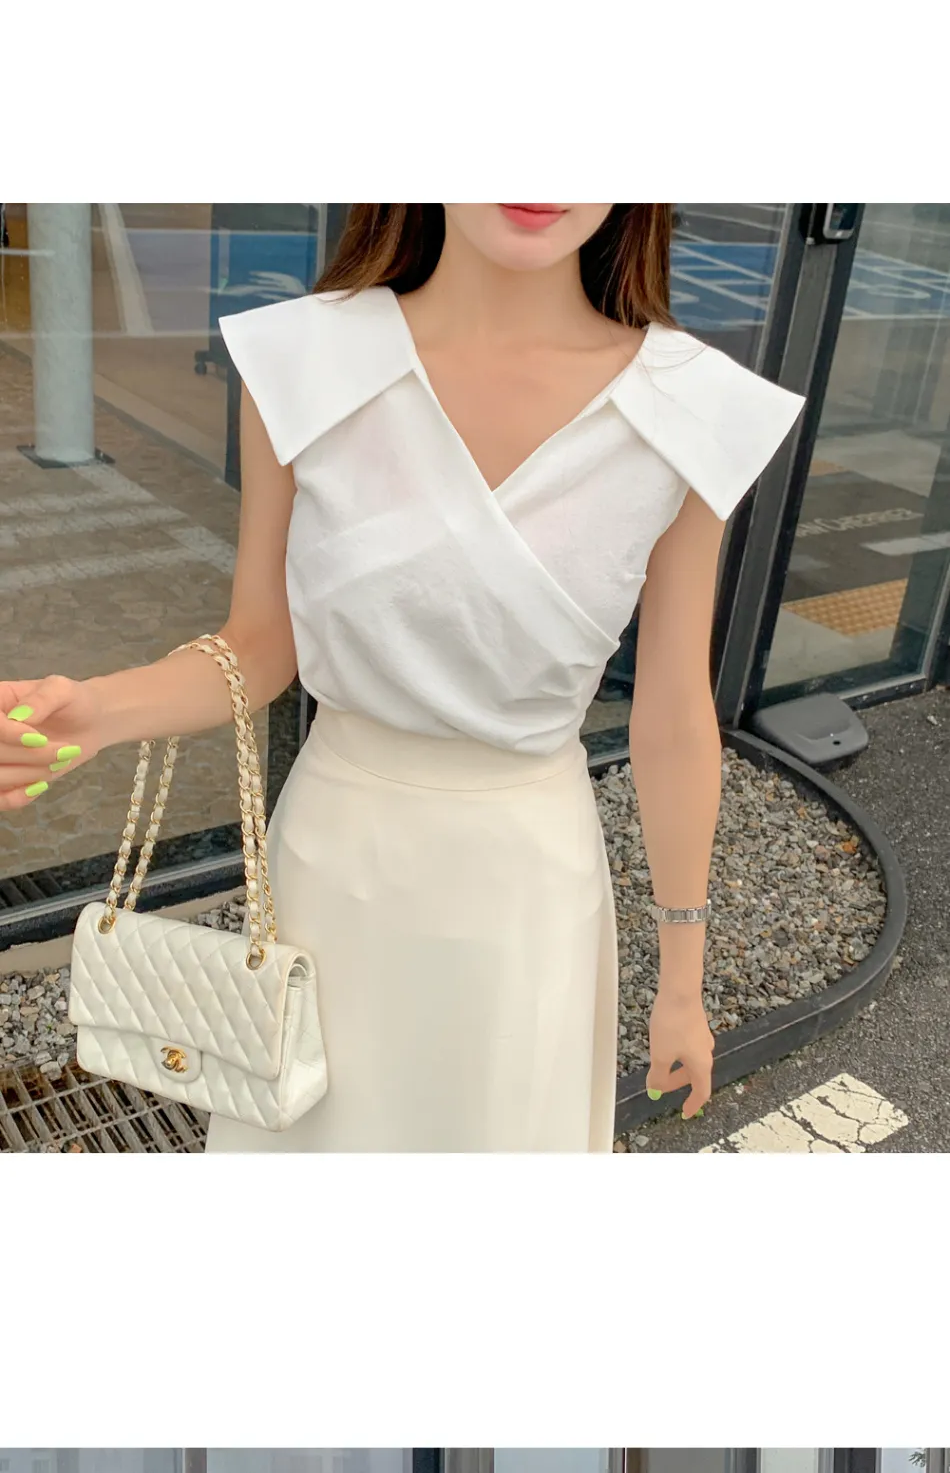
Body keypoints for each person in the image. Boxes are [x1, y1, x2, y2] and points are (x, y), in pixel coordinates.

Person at [0, 201, 803, 1151]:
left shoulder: (686, 409)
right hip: (333, 872)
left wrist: (682, 982)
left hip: (528, 893)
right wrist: (97, 712)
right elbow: (259, 645)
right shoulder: (306, 361)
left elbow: (672, 714)